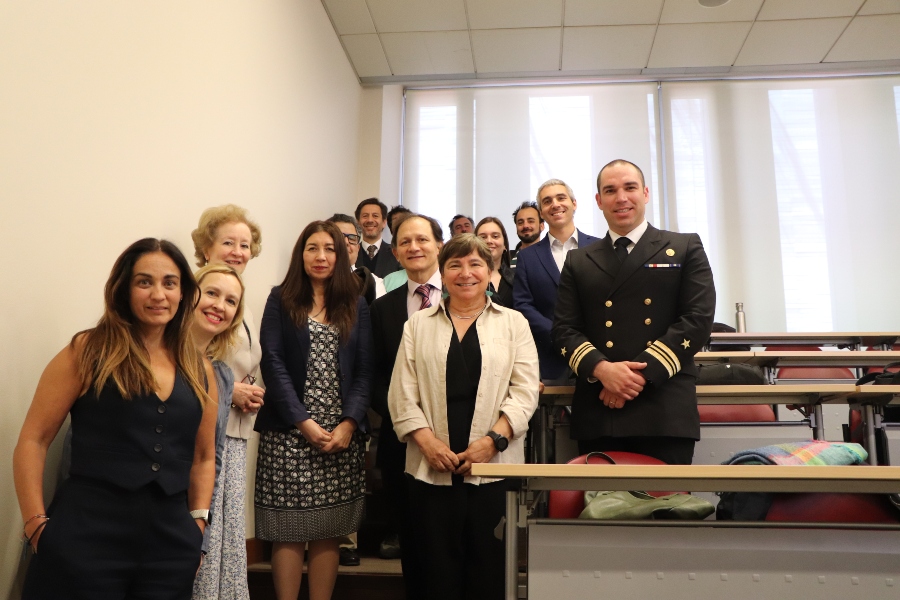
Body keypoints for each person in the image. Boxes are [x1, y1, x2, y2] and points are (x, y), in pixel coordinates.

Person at [14, 238, 218, 599]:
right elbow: (34, 439)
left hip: (169, 546)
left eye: (169, 283)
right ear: (124, 289)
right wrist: (35, 525)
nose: (158, 294)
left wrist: (197, 527)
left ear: (184, 292)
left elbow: (203, 458)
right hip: (86, 535)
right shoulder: (87, 351)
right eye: (145, 282)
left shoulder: (199, 368)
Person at [388, 233, 539, 600]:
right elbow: (401, 393)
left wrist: (492, 442)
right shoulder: (418, 325)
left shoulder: (513, 322)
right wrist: (427, 442)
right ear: (442, 273)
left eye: (475, 264)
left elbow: (525, 391)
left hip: (494, 464)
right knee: (434, 569)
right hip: (430, 464)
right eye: (455, 264)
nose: (465, 273)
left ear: (491, 271)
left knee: (489, 567)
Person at [552, 159, 716, 465]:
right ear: (599, 200)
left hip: (664, 406)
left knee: (669, 509)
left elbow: (697, 319)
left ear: (645, 193)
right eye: (610, 190)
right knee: (599, 510)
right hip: (600, 407)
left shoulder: (683, 246)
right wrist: (603, 371)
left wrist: (633, 378)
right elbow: (564, 329)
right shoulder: (579, 260)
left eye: (629, 188)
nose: (621, 198)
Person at [255, 221, 373, 600]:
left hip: (340, 435)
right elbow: (272, 363)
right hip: (289, 431)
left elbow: (365, 370)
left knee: (328, 529)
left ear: (340, 256)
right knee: (288, 530)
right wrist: (302, 421)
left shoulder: (355, 302)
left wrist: (350, 422)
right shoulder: (280, 298)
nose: (321, 256)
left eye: (329, 248)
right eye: (312, 248)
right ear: (300, 254)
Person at [191, 205, 265, 599]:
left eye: (245, 244)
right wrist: (230, 389)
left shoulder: (244, 301)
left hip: (236, 432)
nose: (238, 251)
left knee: (226, 531)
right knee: (205, 525)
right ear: (206, 247)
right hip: (202, 431)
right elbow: (191, 358)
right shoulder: (191, 293)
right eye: (228, 243)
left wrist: (248, 390)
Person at [369, 213, 444, 598]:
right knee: (413, 543)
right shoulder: (382, 310)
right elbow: (375, 376)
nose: (415, 247)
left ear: (439, 246)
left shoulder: (469, 296)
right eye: (405, 242)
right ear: (395, 253)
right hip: (402, 443)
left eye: (422, 240)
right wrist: (412, 422)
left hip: (461, 441)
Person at [189, 264, 245, 600]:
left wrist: (201, 536)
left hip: (179, 519)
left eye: (230, 301)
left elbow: (212, 458)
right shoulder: (149, 357)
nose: (219, 306)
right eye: (211, 293)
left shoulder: (221, 375)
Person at [513, 179, 599, 381]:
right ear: (541, 212)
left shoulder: (600, 247)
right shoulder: (527, 257)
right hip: (550, 361)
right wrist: (560, 336)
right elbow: (523, 305)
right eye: (547, 201)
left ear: (574, 203)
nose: (555, 204)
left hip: (597, 357)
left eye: (561, 198)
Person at [328, 213, 386, 305]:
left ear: (358, 248)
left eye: (352, 238)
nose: (346, 242)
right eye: (339, 237)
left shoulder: (372, 282)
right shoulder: (316, 278)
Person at [355, 197, 401, 278]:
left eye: (375, 216)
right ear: (358, 222)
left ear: (384, 222)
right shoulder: (351, 253)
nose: (370, 220)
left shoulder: (397, 254)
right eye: (365, 216)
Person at [474, 216, 515, 308]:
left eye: (495, 236)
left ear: (505, 244)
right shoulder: (468, 278)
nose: (489, 241)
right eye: (483, 237)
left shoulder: (518, 278)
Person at [509, 201, 544, 268]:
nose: (525, 226)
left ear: (542, 226)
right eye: (520, 222)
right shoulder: (507, 260)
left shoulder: (551, 256)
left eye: (531, 221)